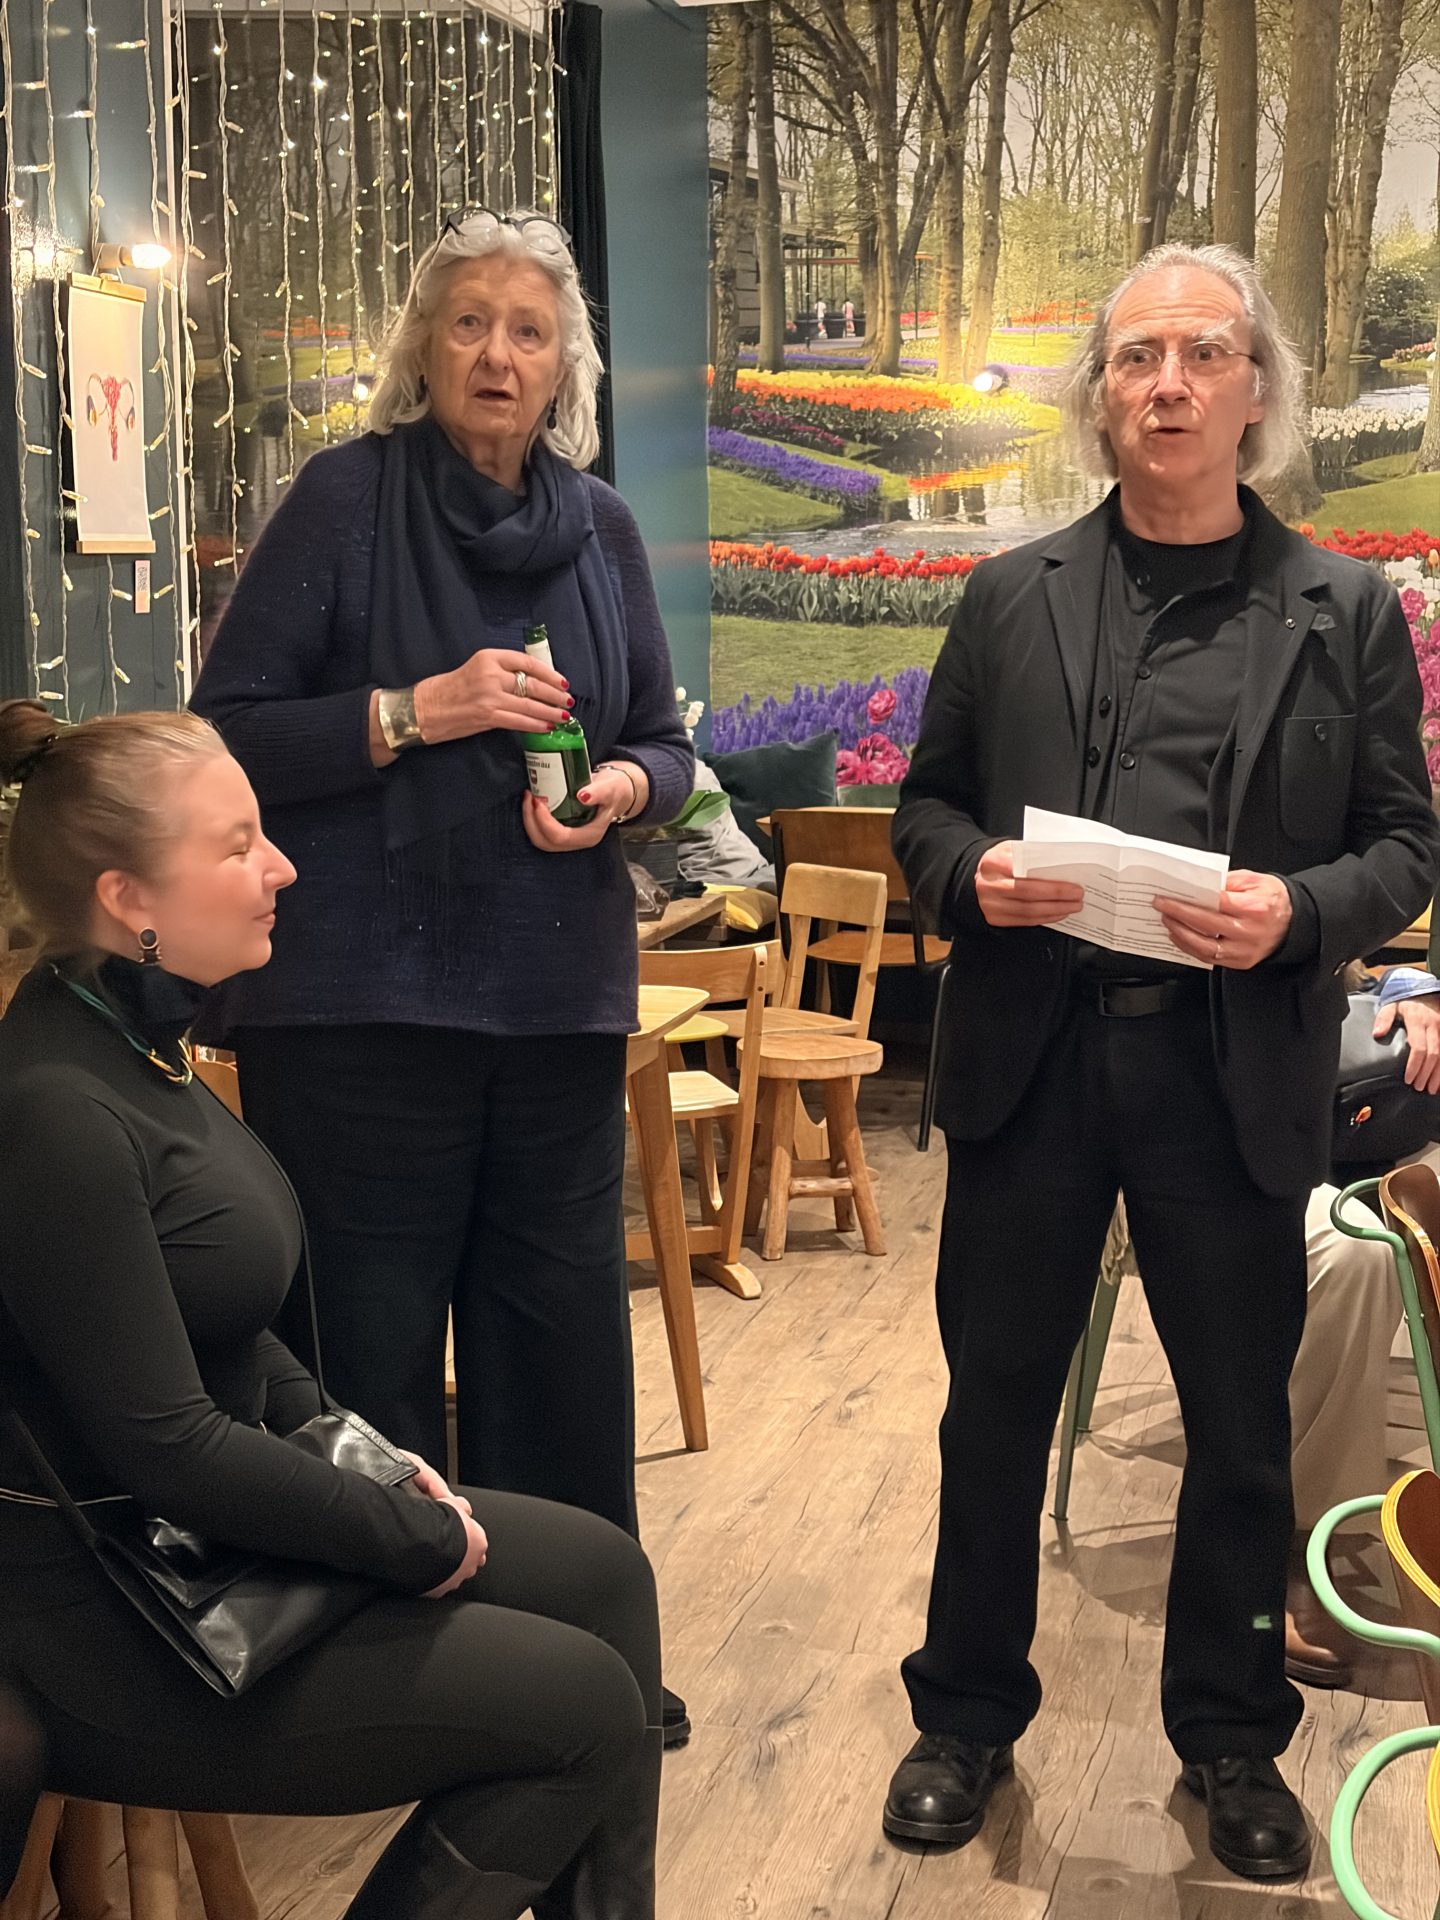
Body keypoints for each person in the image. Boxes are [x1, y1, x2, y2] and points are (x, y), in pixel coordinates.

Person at [886, 241, 1440, 1881]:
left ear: (1257, 390)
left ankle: (1231, 1736)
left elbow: (1405, 844)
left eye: (1204, 353)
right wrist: (970, 878)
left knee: (1241, 1433)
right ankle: (963, 1715)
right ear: (1102, 396)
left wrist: (1299, 913)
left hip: (1231, 1074)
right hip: (1034, 1062)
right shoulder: (1011, 596)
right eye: (1138, 356)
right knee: (992, 1411)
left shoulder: (1344, 610)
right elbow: (927, 811)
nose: (1170, 382)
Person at [0, 700, 662, 1920]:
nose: (284, 867)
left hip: (200, 1538)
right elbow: (165, 1448)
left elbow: (225, 1318)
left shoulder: (139, 1045)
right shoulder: (54, 1108)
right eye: (238, 845)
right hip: (115, 1616)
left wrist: (378, 1464)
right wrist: (403, 1536)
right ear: (128, 899)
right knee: (581, 1710)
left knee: (604, 1574)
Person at [189, 208, 694, 1743]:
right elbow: (227, 733)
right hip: (358, 1008)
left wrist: (620, 790)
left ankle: (576, 1644)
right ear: (424, 347)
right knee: (371, 1349)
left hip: (554, 1004)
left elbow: (664, 746)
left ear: (564, 365)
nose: (496, 353)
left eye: (527, 329)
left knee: (561, 1351)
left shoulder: (602, 528)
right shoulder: (344, 500)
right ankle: (392, 1674)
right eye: (468, 321)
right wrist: (423, 710)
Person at [1285, 966, 1440, 1686]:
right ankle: (1306, 1536)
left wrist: (1414, 986)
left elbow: (1353, 950)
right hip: (1186, 1137)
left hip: (1336, 1124)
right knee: (1356, 1254)